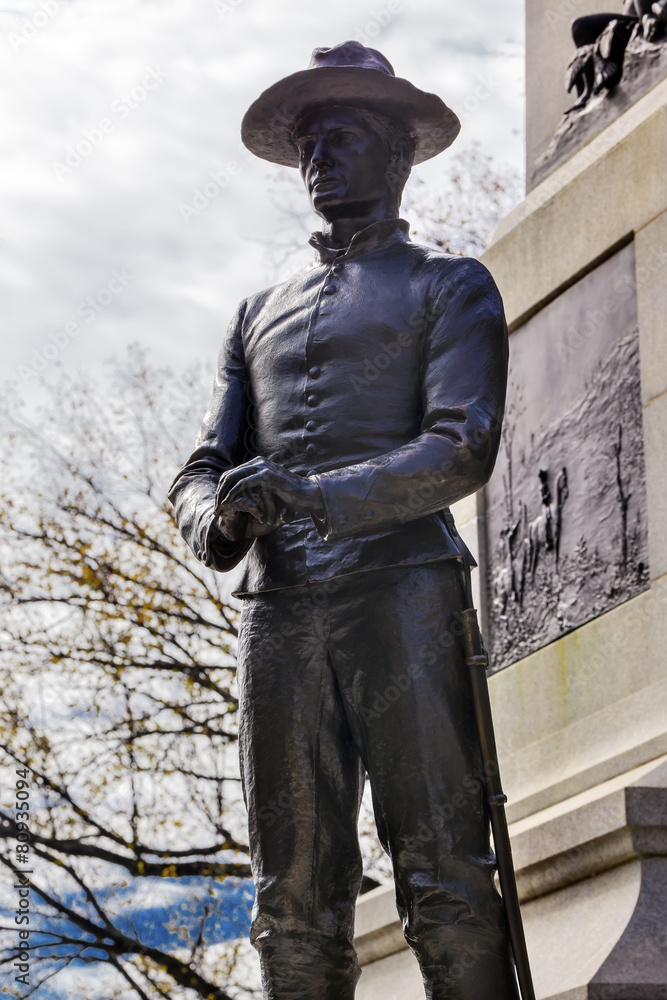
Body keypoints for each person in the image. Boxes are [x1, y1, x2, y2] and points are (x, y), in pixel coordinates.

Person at [169, 40, 518, 1000]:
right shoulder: (255, 312)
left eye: (345, 135)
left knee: (443, 872)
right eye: (309, 141)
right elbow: (200, 467)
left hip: (402, 595)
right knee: (290, 898)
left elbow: (461, 445)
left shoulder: (450, 286)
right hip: (278, 615)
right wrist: (219, 520)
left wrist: (314, 496)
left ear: (398, 155)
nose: (320, 155)